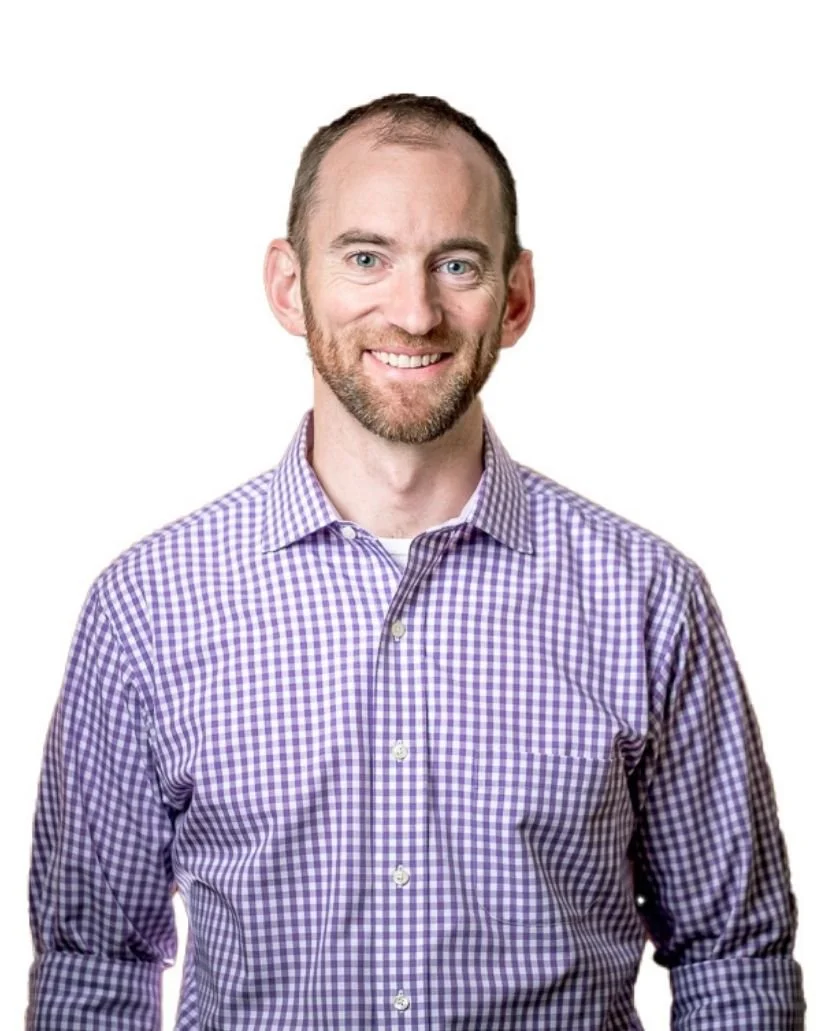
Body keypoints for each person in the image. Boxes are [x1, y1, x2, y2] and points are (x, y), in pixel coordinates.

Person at [26, 92, 805, 1030]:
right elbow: (94, 968)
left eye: (457, 264)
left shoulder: (646, 597)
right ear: (288, 286)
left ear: (514, 297)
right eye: (365, 258)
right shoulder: (148, 604)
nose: (413, 311)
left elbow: (732, 958)